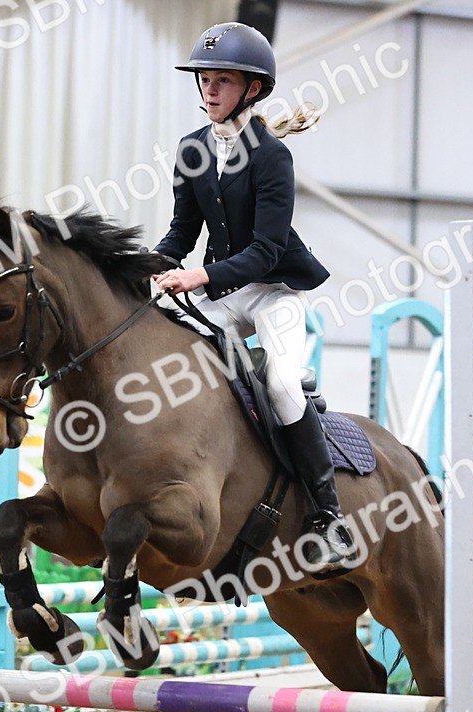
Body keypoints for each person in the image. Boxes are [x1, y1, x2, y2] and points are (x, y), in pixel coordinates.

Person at [152, 21, 354, 575]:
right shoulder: (192, 149)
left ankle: (328, 515)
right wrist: (146, 268)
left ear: (253, 89)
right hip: (220, 289)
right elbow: (179, 233)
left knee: (284, 384)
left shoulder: (271, 157)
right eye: (205, 80)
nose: (209, 90)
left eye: (221, 81)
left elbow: (265, 253)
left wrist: (200, 278)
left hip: (270, 292)